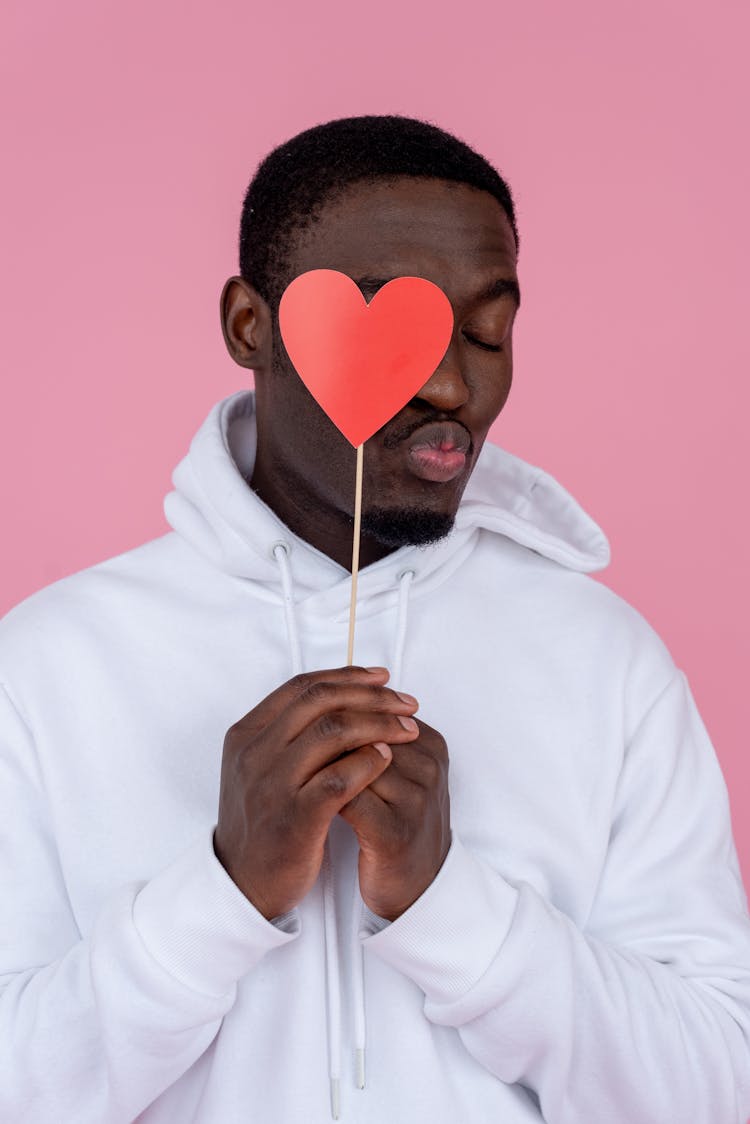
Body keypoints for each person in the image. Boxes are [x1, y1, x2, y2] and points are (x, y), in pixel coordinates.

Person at [1, 114, 749, 1124]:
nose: (450, 383)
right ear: (249, 326)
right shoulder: (47, 666)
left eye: (487, 332)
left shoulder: (607, 663)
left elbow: (714, 1088)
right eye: (402, 331)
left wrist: (451, 902)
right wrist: (222, 895)